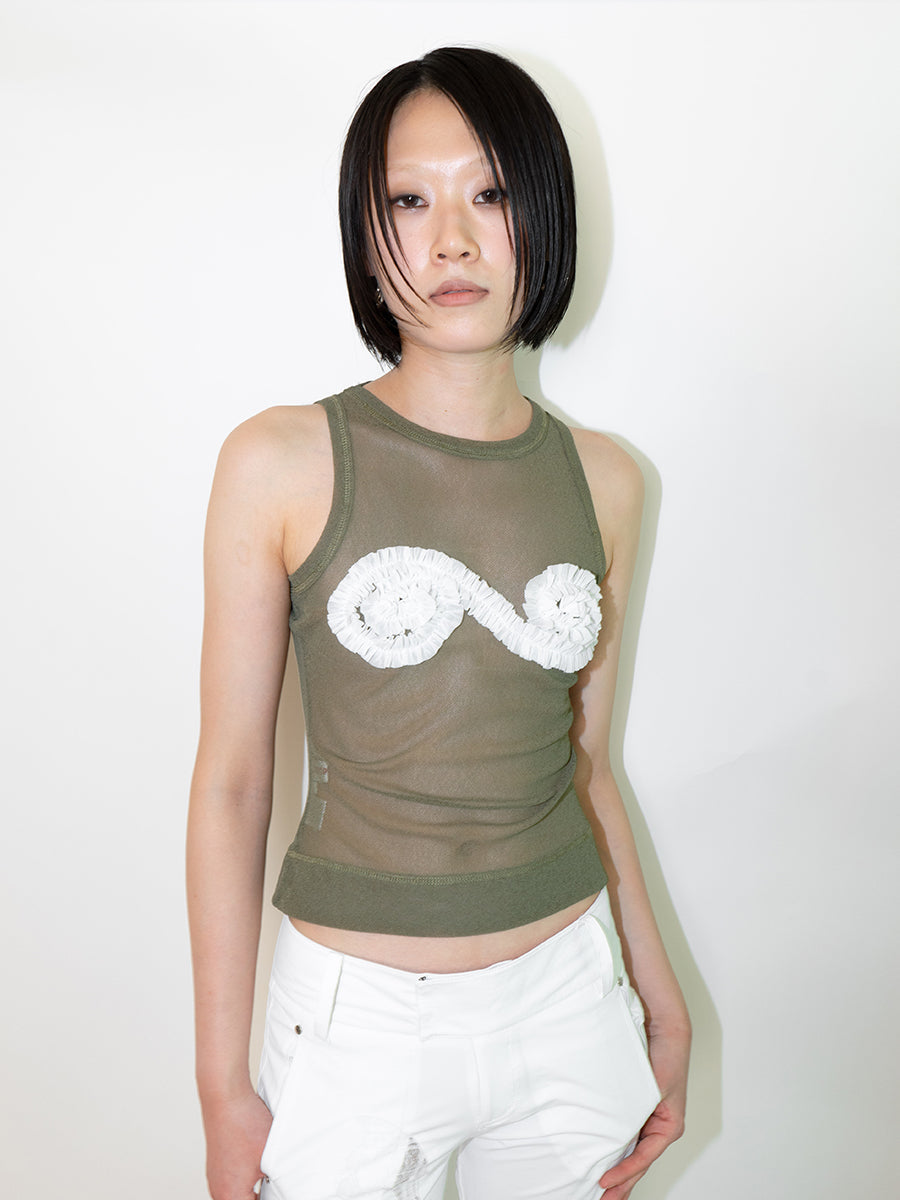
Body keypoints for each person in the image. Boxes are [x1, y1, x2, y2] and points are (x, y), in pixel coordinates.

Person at [187, 46, 690, 1200]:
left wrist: (659, 1003)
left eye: (492, 193)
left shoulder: (608, 481)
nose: (452, 240)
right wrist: (221, 1086)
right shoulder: (279, 461)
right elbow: (232, 785)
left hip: (572, 1000)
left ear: (544, 216)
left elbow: (586, 766)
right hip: (353, 1032)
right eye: (410, 201)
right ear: (367, 239)